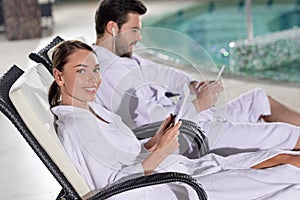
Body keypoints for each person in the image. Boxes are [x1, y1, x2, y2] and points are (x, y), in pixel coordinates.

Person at [49, 40, 300, 200]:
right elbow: (115, 188)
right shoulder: (77, 127)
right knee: (288, 174)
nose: (94, 80)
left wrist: (157, 140)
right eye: (81, 71)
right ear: (59, 76)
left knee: (285, 160)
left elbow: (127, 154)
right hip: (172, 187)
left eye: (96, 70)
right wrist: (160, 152)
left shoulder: (93, 111)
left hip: (177, 171)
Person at [92, 0, 300, 154]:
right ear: (112, 28)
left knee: (259, 99)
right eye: (134, 30)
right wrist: (198, 105)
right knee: (283, 134)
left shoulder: (124, 58)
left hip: (196, 119)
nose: (140, 38)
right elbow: (149, 126)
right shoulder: (108, 73)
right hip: (191, 136)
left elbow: (164, 74)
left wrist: (194, 85)